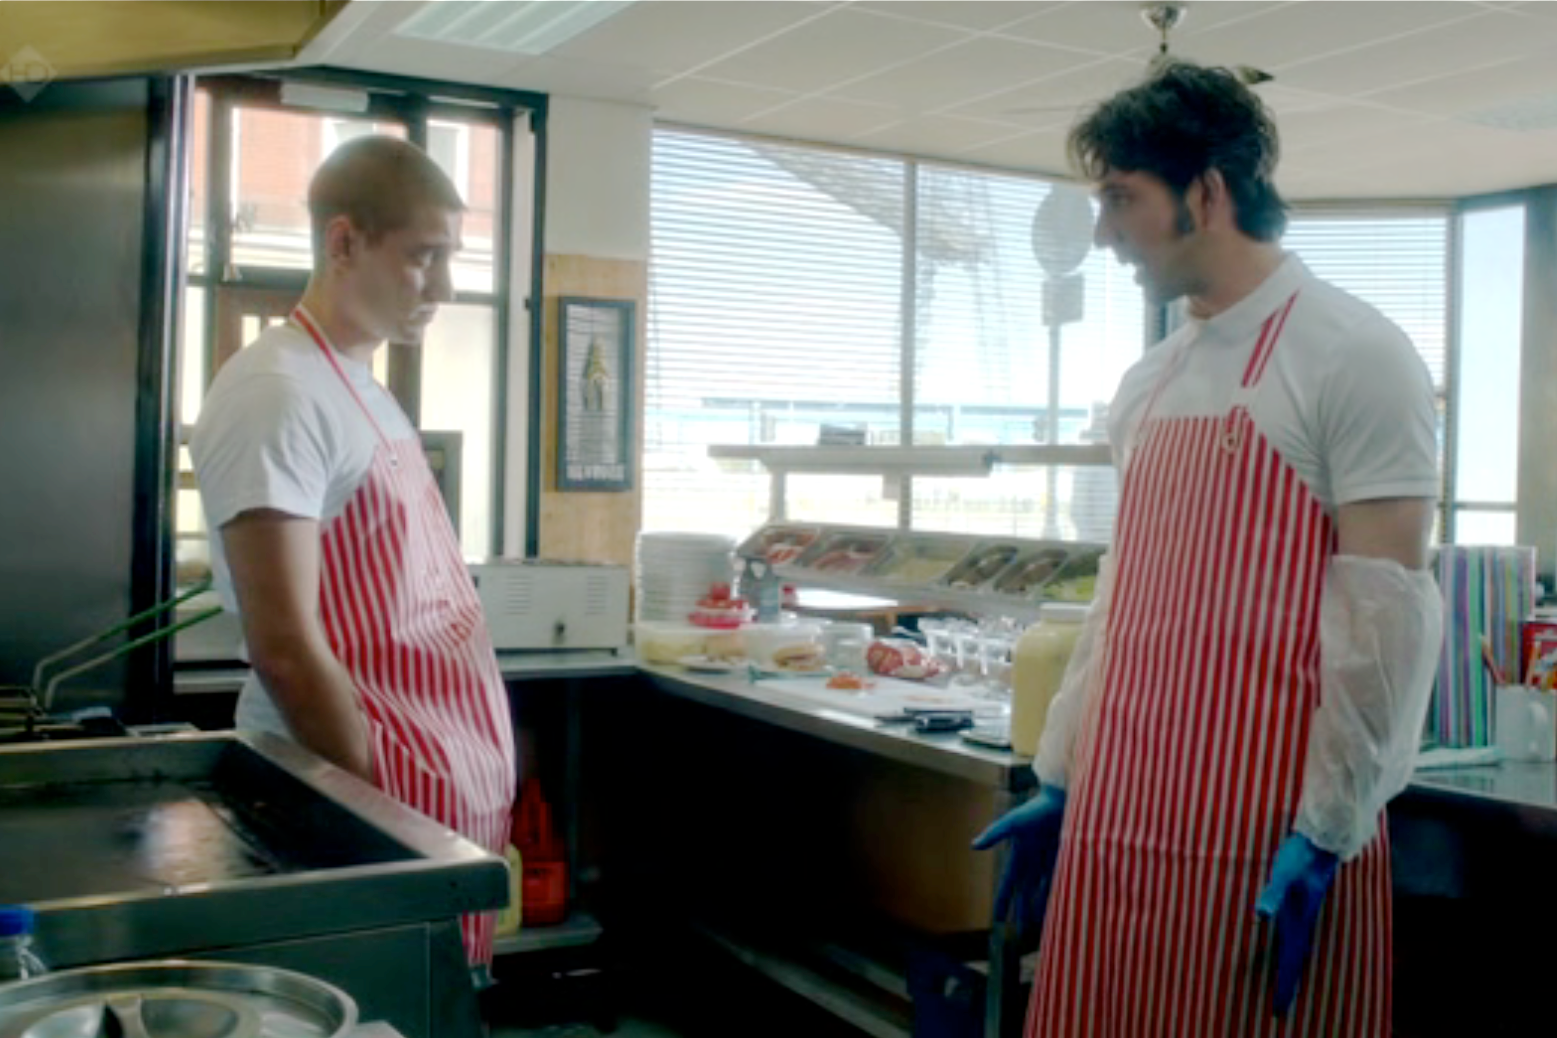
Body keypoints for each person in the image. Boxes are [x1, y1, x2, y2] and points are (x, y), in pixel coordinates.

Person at [975, 63, 1443, 1036]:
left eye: (1120, 198)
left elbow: (1384, 628)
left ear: (1208, 192)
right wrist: (1063, 773)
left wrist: (1329, 831)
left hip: (1266, 845)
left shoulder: (1357, 356)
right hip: (1121, 822)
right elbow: (1123, 604)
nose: (1102, 233)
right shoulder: (1148, 384)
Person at [191, 136, 517, 972]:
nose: (443, 288)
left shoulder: (356, 384)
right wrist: (379, 821)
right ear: (343, 243)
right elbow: (287, 648)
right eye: (423, 258)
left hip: (417, 807)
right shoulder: (279, 391)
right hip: (345, 814)